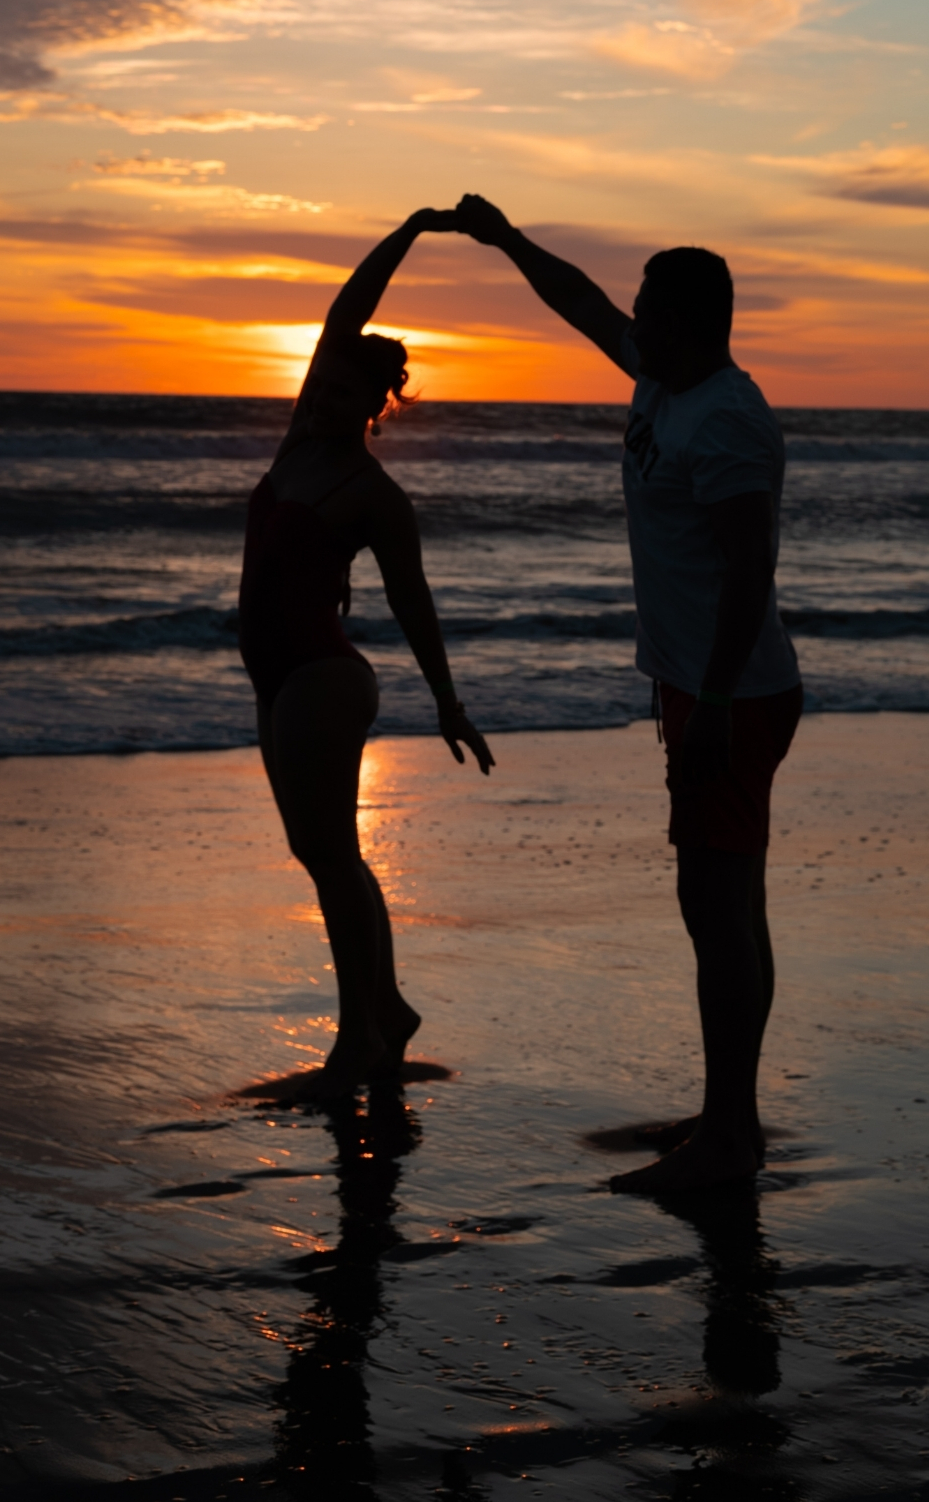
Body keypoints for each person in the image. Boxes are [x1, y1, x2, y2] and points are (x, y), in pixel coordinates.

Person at [453, 194, 801, 1191]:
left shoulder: (726, 419)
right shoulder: (666, 382)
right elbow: (583, 306)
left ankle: (730, 1143)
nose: (633, 319)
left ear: (690, 322)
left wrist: (718, 706)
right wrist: (508, 240)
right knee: (735, 908)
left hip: (729, 695)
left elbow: (750, 571)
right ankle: (731, 1115)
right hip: (708, 689)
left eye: (650, 307)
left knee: (715, 908)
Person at [239, 206, 494, 1098]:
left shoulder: (373, 493)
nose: (325, 399)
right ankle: (385, 1007)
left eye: (345, 395)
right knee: (320, 853)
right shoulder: (297, 444)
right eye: (320, 386)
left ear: (376, 406)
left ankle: (362, 1034)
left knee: (333, 853)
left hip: (322, 678)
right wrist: (413, 229)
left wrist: (448, 702)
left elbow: (413, 602)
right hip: (277, 679)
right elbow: (347, 308)